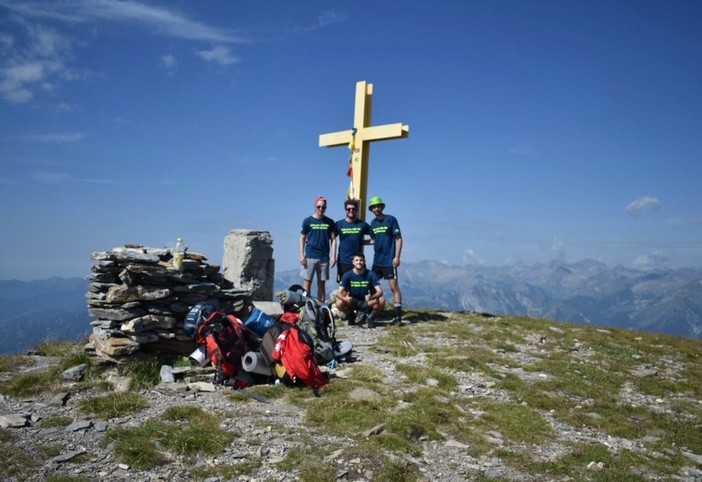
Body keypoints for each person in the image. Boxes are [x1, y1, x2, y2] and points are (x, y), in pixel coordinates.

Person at [368, 195, 403, 325]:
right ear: (371, 209)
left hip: (389, 260)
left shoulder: (391, 220)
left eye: (378, 206)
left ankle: (398, 316)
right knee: (371, 287)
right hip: (377, 261)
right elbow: (373, 240)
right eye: (374, 207)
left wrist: (397, 256)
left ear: (382, 207)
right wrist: (356, 241)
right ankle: (374, 311)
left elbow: (399, 238)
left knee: (394, 286)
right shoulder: (373, 223)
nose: (376, 209)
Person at [299, 196, 337, 302]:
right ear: (315, 206)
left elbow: (333, 239)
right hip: (310, 256)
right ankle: (305, 307)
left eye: (323, 207)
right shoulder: (307, 221)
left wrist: (333, 256)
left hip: (324, 257)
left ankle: (321, 308)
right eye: (319, 206)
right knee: (307, 283)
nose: (321, 209)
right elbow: (302, 237)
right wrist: (301, 254)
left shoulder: (330, 222)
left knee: (322, 285)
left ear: (326, 208)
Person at [335, 253, 385, 328]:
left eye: (361, 260)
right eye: (357, 260)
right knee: (339, 303)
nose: (359, 262)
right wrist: (345, 298)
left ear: (364, 261)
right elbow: (339, 293)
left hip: (366, 302)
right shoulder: (347, 275)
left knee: (381, 300)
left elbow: (380, 291)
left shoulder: (371, 274)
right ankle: (351, 315)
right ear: (353, 262)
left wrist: (372, 297)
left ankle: (370, 318)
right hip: (352, 301)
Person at [335, 198, 371, 282]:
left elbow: (375, 239)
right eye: (348, 209)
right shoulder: (339, 224)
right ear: (345, 210)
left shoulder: (362, 225)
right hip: (343, 261)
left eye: (353, 209)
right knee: (344, 288)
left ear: (356, 210)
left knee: (360, 287)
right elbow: (330, 237)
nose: (351, 210)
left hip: (358, 262)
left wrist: (362, 242)